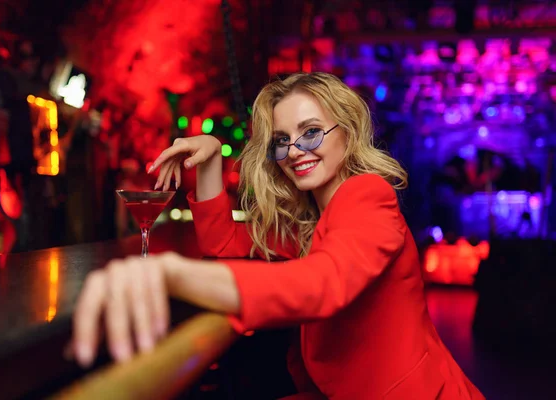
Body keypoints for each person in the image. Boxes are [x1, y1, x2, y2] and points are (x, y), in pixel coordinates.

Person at [71, 72, 484, 399]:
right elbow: (222, 243)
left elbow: (322, 283)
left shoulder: (367, 194)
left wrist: (171, 274)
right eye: (282, 141)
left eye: (311, 131)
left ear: (349, 131)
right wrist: (212, 157)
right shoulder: (310, 220)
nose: (296, 150)